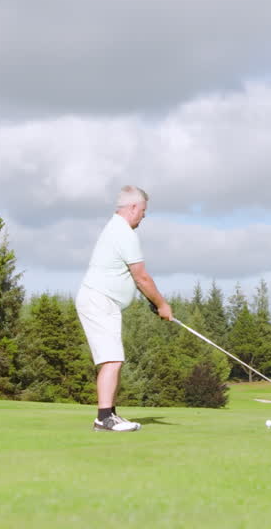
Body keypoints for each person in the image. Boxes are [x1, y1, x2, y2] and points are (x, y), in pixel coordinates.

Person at [76, 185, 172, 432]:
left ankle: (111, 414)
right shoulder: (124, 233)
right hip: (99, 300)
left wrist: (153, 302)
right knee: (112, 359)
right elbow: (141, 277)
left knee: (114, 358)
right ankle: (103, 418)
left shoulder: (117, 229)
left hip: (104, 302)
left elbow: (131, 277)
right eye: (143, 211)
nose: (144, 216)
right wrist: (161, 304)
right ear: (132, 208)